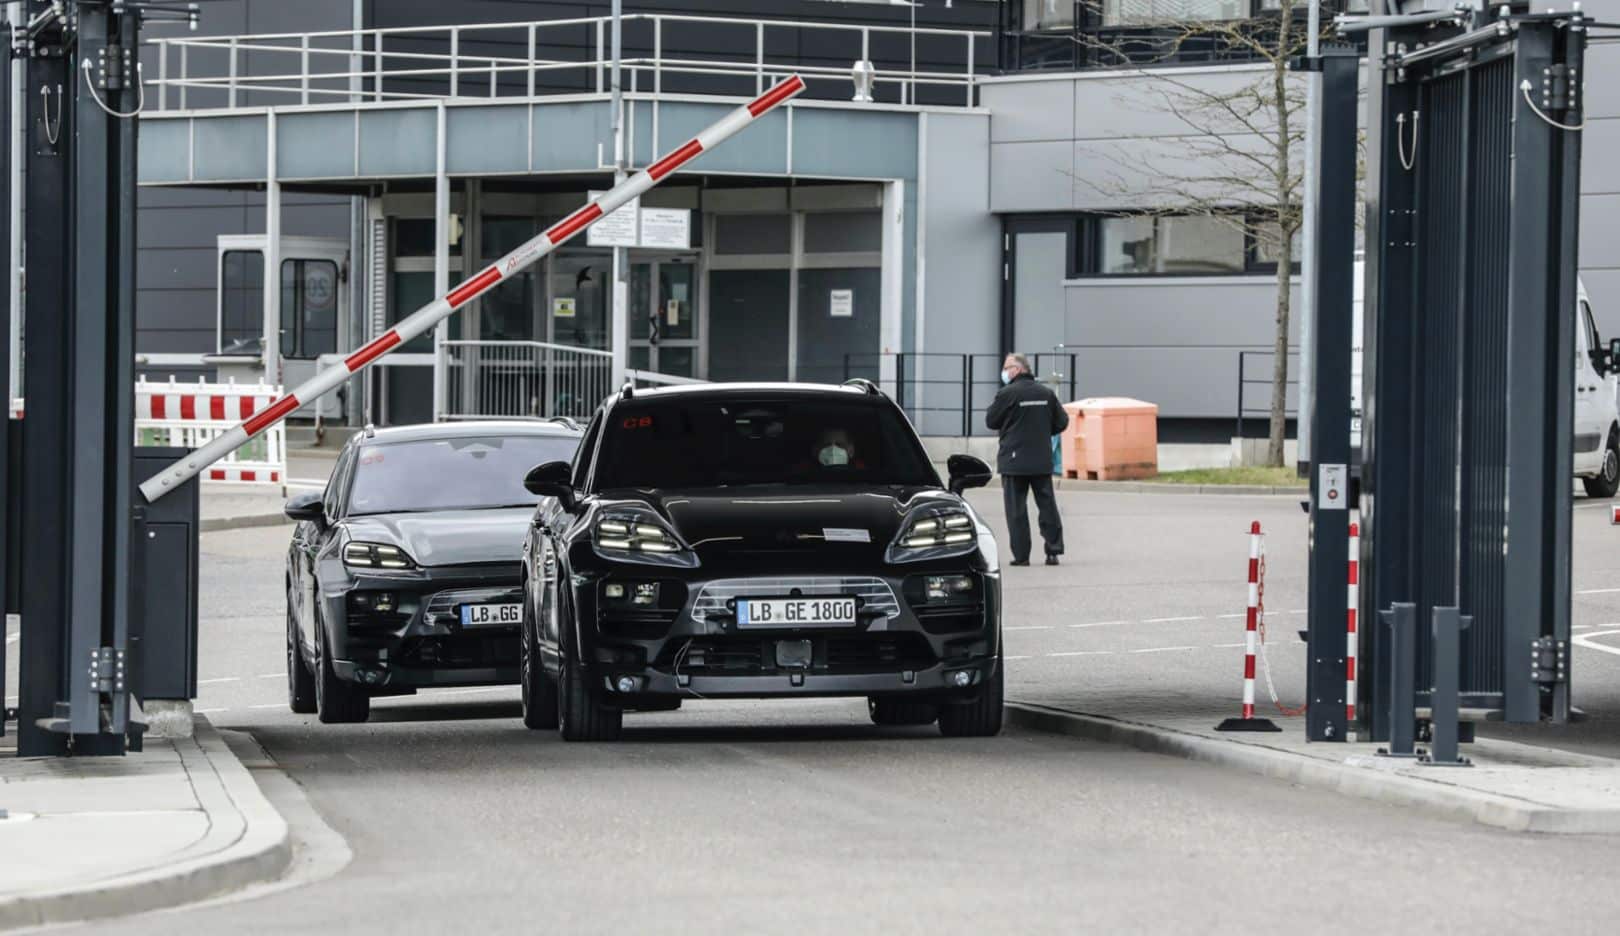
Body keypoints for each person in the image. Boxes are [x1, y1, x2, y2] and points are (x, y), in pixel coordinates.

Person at [985, 353, 1068, 566]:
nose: (1004, 372)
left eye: (1007, 368)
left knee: (1016, 511)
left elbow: (991, 421)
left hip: (1014, 461)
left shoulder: (1007, 394)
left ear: (1018, 369)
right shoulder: (1046, 394)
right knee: (1047, 506)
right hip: (1041, 459)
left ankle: (1021, 556)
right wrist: (1043, 431)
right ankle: (1053, 551)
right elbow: (1062, 422)